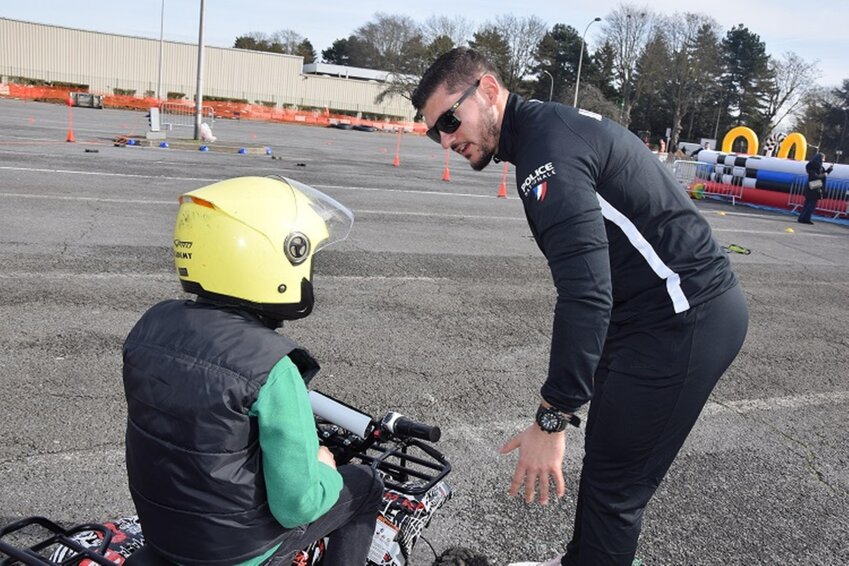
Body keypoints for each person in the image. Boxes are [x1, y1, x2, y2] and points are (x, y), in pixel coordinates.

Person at [412, 48, 748, 566]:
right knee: (607, 476)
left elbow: (585, 292)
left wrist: (552, 418)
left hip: (684, 318)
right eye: (437, 131)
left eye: (451, 120)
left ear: (490, 89)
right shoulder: (543, 133)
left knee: (614, 491)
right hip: (648, 314)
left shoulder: (547, 155)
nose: (448, 140)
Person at [122, 176, 383, 566]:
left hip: (165, 536)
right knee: (365, 485)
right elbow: (298, 505)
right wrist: (325, 469)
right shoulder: (272, 367)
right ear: (272, 260)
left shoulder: (150, 327)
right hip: (237, 555)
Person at [799, 152, 833, 224]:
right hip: (815, 185)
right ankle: (806, 218)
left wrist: (828, 170)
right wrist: (826, 173)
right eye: (823, 159)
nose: (824, 160)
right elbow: (818, 176)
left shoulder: (811, 166)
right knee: (811, 204)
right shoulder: (817, 167)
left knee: (807, 203)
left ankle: (802, 217)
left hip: (811, 185)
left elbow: (819, 175)